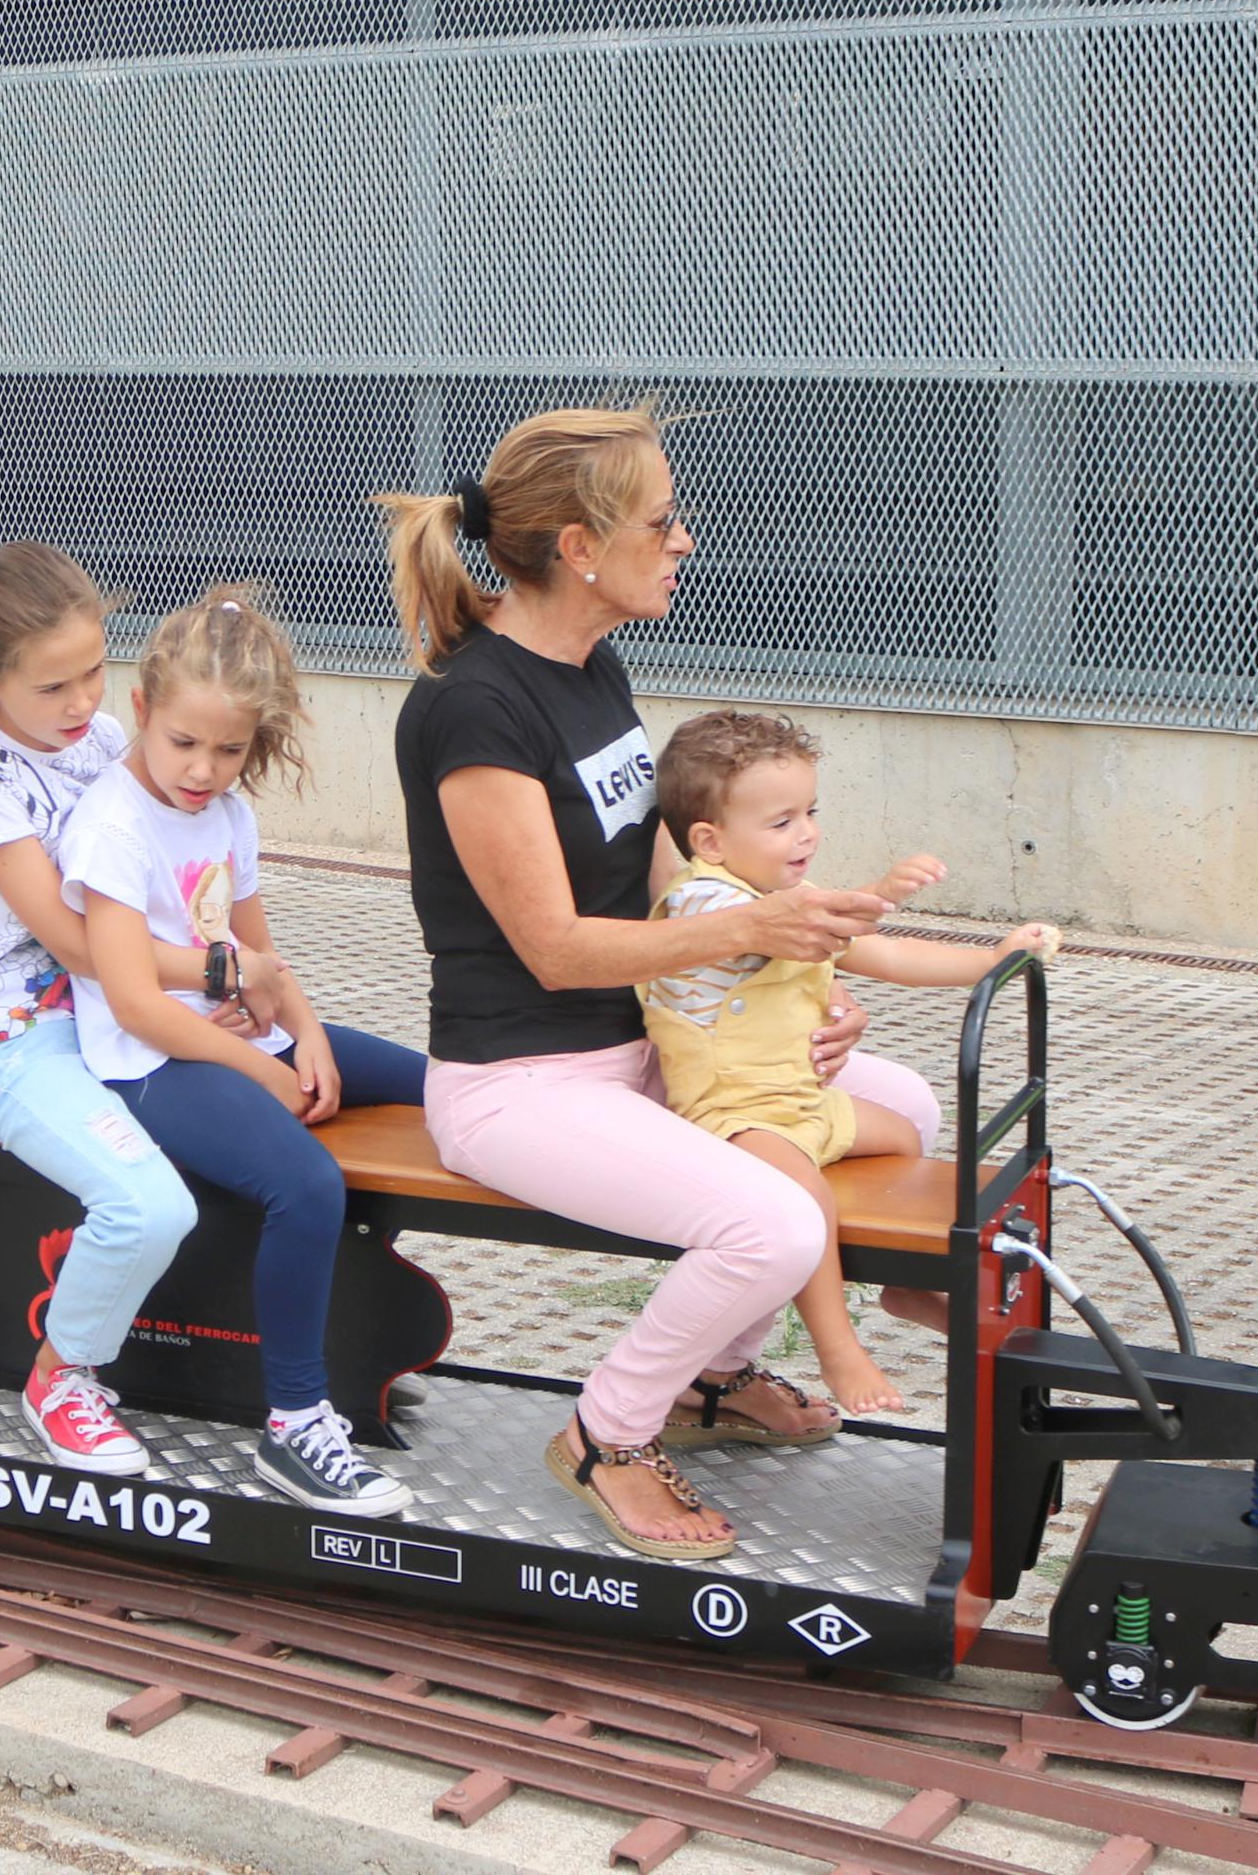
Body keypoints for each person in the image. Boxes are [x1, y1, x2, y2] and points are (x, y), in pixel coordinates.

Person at [379, 408, 940, 1561]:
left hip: (643, 1047)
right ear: (579, 548)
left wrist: (785, 972)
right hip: (516, 1081)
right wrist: (761, 923)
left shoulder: (593, 664)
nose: (682, 540)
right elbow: (555, 948)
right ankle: (605, 1433)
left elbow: (665, 876)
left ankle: (717, 1379)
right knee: (772, 1223)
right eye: (659, 521)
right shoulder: (473, 708)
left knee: (909, 1114)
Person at [59, 587, 427, 1516]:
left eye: (229, 750)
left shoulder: (227, 814)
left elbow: (258, 957)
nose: (204, 769)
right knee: (305, 1184)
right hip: (150, 1065)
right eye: (183, 743)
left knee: (440, 1087)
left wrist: (304, 1035)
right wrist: (266, 1071)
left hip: (236, 1039)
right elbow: (136, 1005)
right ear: (140, 713)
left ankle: (366, 1334)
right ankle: (296, 1425)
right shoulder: (112, 824)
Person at [638, 711, 1047, 1416]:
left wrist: (990, 959)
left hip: (800, 1103)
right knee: (807, 1199)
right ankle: (838, 1350)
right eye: (780, 822)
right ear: (709, 838)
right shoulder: (704, 900)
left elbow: (881, 955)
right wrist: (884, 891)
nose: (805, 834)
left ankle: (905, 1287)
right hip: (734, 1114)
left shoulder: (768, 900)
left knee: (901, 1136)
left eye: (810, 812)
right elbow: (849, 931)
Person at [0, 545, 206, 1478]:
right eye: (53, 687)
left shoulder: (105, 741)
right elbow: (79, 945)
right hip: (6, 1044)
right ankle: (60, 1376)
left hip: (109, 1011)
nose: (83, 703)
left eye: (94, 671)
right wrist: (218, 974)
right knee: (148, 1207)